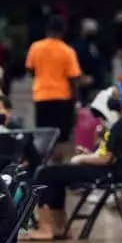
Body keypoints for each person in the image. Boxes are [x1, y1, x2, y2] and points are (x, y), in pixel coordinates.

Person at [28, 72, 122, 240]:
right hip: (114, 172)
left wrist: (81, 159)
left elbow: (107, 159)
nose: (112, 92)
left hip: (105, 173)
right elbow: (108, 154)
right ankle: (59, 227)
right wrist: (89, 155)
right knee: (55, 174)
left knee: (45, 173)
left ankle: (45, 228)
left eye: (117, 90)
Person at [26, 15, 82, 154]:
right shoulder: (67, 51)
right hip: (62, 98)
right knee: (62, 137)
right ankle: (60, 164)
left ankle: (45, 163)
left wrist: (40, 77)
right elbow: (74, 78)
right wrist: (76, 100)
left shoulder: (35, 47)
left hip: (41, 96)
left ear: (47, 29)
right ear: (63, 30)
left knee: (44, 135)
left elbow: (30, 69)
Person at [73, 18, 108, 104]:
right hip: (82, 85)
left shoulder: (98, 47)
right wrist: (81, 77)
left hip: (95, 85)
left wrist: (95, 79)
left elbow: (100, 65)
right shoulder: (79, 46)